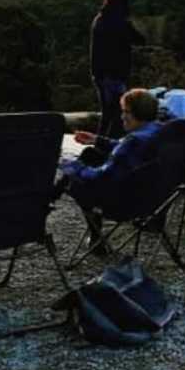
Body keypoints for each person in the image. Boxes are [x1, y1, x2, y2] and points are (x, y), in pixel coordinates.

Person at [62, 88, 162, 255]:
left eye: (125, 112)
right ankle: (50, 198)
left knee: (74, 174)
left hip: (122, 204)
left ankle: (95, 237)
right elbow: (125, 150)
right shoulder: (157, 132)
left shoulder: (133, 141)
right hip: (151, 197)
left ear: (137, 113)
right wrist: (97, 140)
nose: (122, 116)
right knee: (91, 154)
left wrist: (74, 166)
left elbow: (101, 176)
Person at [90, 0, 146, 138]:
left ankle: (100, 147)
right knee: (117, 115)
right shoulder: (119, 22)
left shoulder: (100, 19)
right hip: (114, 75)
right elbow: (139, 40)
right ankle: (109, 148)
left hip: (100, 74)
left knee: (108, 114)